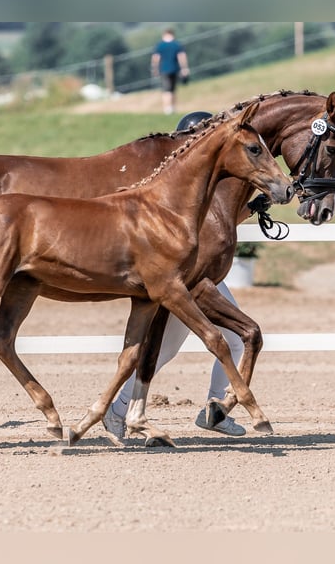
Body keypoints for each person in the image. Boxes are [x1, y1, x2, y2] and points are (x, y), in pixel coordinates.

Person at [103, 110, 248, 439]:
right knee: (170, 349)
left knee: (235, 339)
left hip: (201, 278)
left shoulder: (201, 182)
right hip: (186, 280)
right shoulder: (181, 187)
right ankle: (118, 410)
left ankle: (216, 408)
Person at [151, 28, 190, 115]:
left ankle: (167, 108)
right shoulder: (177, 45)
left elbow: (156, 58)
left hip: (164, 70)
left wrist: (155, 69)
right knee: (173, 89)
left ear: (164, 34)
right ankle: (172, 107)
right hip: (175, 69)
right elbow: (182, 57)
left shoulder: (160, 45)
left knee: (166, 90)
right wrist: (184, 68)